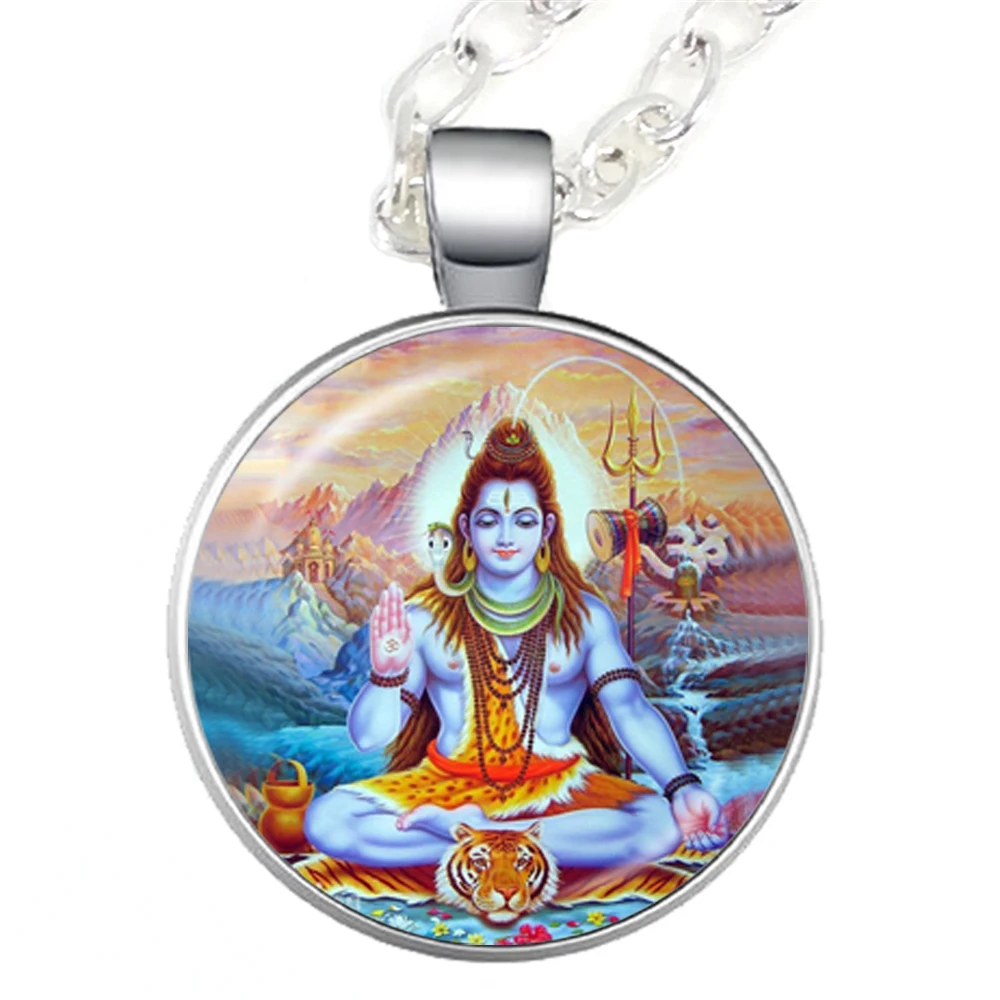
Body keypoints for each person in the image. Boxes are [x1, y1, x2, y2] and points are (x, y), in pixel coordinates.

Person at [305, 418, 728, 870]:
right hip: (444, 789)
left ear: (547, 528)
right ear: (465, 527)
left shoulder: (585, 616)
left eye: (523, 521)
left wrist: (681, 786)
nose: (506, 537)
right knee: (328, 820)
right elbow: (368, 738)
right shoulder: (424, 617)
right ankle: (513, 845)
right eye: (490, 521)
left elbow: (629, 710)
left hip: (559, 789)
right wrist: (387, 676)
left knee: (658, 823)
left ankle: (470, 838)